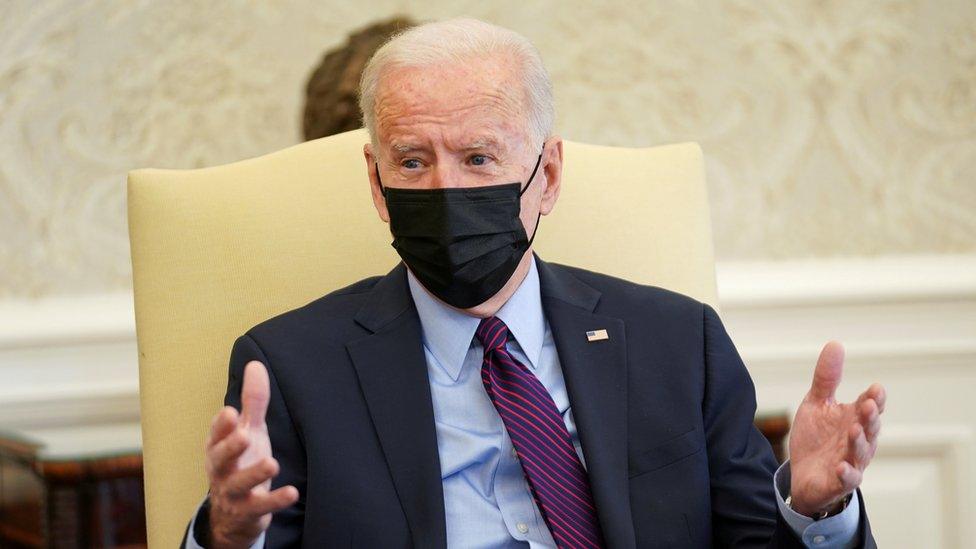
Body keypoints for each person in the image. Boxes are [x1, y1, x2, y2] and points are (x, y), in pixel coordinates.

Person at [183, 18, 885, 549]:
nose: (446, 187)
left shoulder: (677, 341)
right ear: (376, 180)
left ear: (546, 175)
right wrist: (225, 534)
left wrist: (815, 506)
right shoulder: (291, 368)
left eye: (479, 156)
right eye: (413, 161)